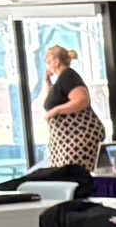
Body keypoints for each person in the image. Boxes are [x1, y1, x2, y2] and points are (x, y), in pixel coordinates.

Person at [40, 42, 106, 170]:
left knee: (72, 172)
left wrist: (57, 110)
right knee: (62, 172)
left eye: (48, 61)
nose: (47, 65)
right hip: (65, 138)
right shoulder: (60, 80)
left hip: (78, 136)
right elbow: (47, 103)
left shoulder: (68, 76)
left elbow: (82, 100)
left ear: (56, 61)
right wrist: (47, 80)